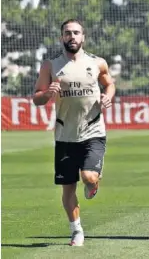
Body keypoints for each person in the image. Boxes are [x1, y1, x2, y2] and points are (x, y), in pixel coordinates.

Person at [32, 19, 116, 247]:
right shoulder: (50, 66)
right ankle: (76, 230)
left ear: (83, 37)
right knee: (68, 187)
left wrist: (108, 95)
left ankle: (93, 182)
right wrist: (48, 93)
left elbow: (109, 84)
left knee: (88, 176)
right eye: (67, 33)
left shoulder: (97, 63)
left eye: (76, 33)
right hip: (64, 135)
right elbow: (37, 98)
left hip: (93, 130)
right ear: (62, 37)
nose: (72, 36)